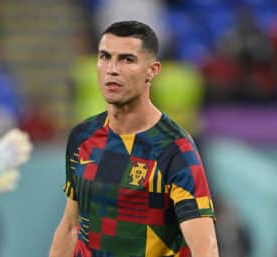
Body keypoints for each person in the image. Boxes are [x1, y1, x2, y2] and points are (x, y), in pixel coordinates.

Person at [49, 20, 219, 257]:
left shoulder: (175, 149)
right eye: (105, 57)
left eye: (127, 59)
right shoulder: (82, 137)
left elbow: (205, 248)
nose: (112, 69)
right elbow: (70, 227)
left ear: (152, 70)